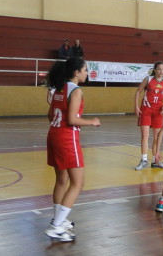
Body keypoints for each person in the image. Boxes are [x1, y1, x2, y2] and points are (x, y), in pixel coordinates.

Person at [44, 57, 101, 241]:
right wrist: (92, 122)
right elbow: (72, 120)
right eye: (85, 70)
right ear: (76, 72)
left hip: (53, 134)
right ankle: (56, 226)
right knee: (78, 183)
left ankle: (59, 219)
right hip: (67, 138)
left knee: (62, 180)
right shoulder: (76, 91)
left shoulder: (59, 88)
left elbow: (49, 114)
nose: (86, 73)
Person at [134, 61, 163, 170]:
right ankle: (144, 160)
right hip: (146, 110)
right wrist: (136, 106)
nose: (161, 71)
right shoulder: (148, 79)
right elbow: (138, 92)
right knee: (145, 135)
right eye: (159, 69)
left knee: (156, 137)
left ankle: (155, 161)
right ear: (155, 70)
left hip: (158, 112)